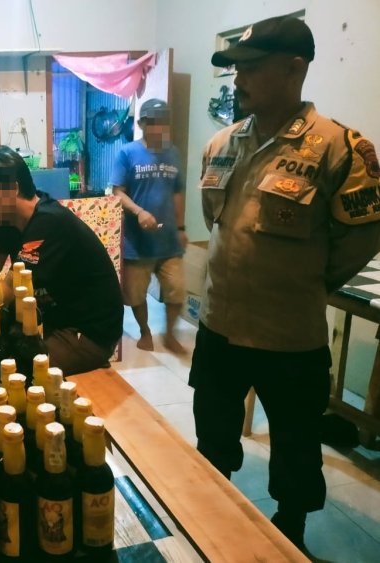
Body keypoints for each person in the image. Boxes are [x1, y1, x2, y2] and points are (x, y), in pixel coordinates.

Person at [192, 15, 380, 551]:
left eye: (251, 68)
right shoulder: (222, 143)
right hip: (220, 326)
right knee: (213, 433)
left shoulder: (340, 148)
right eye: (236, 69)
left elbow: (362, 237)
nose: (239, 79)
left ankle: (291, 530)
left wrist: (303, 282)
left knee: (296, 444)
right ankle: (210, 514)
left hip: (289, 337)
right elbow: (217, 223)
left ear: (295, 69)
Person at [0, 146, 124, 375]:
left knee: (13, 371)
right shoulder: (8, 221)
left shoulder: (48, 223)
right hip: (54, 319)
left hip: (88, 331)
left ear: (11, 189)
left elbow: (2, 297)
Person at [112, 98, 187, 353]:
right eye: (153, 122)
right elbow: (117, 192)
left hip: (169, 241)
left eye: (163, 122)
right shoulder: (127, 153)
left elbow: (178, 192)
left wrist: (181, 228)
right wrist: (139, 212)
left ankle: (170, 334)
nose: (159, 127)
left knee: (177, 290)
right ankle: (145, 332)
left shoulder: (173, 153)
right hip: (137, 241)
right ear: (142, 124)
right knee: (135, 294)